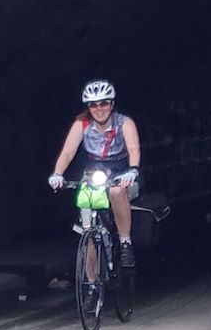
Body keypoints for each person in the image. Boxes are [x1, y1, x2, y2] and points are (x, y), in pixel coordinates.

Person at [48, 80, 141, 267]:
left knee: (116, 192)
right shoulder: (81, 124)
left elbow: (134, 148)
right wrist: (58, 173)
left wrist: (133, 170)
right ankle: (91, 286)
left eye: (104, 103)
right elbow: (67, 152)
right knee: (88, 230)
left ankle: (124, 242)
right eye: (93, 105)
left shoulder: (124, 123)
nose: (99, 109)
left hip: (122, 174)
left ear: (112, 104)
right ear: (88, 107)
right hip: (93, 174)